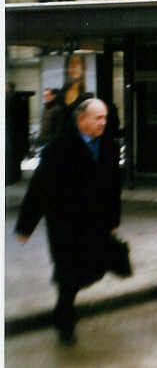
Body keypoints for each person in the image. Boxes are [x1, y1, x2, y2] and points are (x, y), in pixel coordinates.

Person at [15, 98, 122, 346]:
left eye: (105, 118)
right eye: (98, 118)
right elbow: (38, 189)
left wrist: (113, 220)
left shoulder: (109, 147)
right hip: (65, 223)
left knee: (90, 269)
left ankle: (64, 300)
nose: (103, 123)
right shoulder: (58, 149)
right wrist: (25, 227)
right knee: (69, 273)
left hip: (95, 222)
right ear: (81, 119)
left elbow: (113, 188)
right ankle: (64, 320)